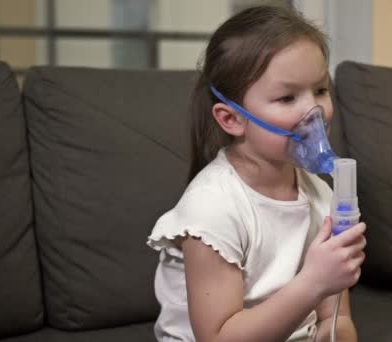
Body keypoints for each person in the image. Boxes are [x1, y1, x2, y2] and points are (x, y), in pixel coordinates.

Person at [147, 5, 366, 342]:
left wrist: (335, 327)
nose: (315, 111)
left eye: (321, 90)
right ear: (232, 119)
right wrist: (313, 282)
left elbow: (336, 320)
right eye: (287, 97)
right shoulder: (213, 208)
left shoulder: (321, 196)